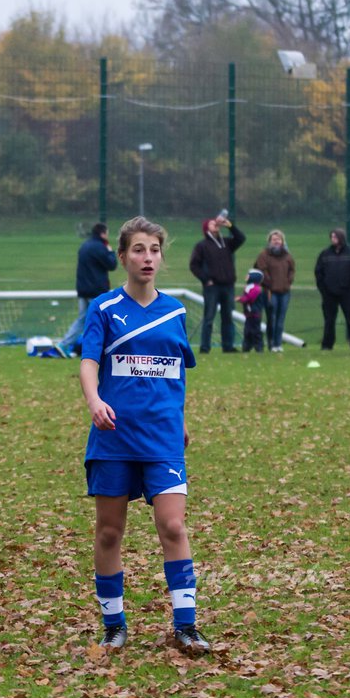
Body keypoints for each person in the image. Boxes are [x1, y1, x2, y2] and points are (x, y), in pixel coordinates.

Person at [79, 216, 209, 655]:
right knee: (110, 532)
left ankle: (186, 626)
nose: (147, 257)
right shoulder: (103, 308)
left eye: (153, 250)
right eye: (138, 249)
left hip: (162, 437)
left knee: (173, 525)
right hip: (114, 437)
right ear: (122, 256)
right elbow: (88, 363)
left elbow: (173, 372)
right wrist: (95, 400)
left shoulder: (175, 310)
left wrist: (181, 418)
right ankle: (113, 624)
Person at [188, 210, 245, 353]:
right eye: (213, 224)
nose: (216, 225)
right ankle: (205, 347)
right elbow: (194, 265)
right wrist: (206, 279)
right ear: (207, 229)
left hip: (228, 286)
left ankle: (228, 346)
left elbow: (241, 238)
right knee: (209, 318)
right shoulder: (202, 246)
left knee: (227, 317)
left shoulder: (226, 243)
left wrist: (229, 225)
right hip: (212, 287)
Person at [58, 223, 118, 353]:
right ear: (103, 233)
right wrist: (110, 251)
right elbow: (112, 265)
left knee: (82, 319)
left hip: (83, 290)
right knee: (102, 319)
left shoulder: (85, 245)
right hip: (96, 291)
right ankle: (105, 347)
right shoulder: (100, 247)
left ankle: (64, 344)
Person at [315, 228, 350, 351]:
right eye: (331, 237)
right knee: (329, 320)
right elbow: (318, 273)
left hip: (347, 293)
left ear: (341, 238)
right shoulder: (325, 254)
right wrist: (324, 290)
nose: (333, 239)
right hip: (329, 294)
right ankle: (327, 345)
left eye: (335, 237)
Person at [253, 229, 294, 352]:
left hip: (285, 291)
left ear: (282, 241)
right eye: (274, 239)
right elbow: (261, 270)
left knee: (281, 319)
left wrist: (288, 281)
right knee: (272, 318)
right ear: (270, 241)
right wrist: (269, 283)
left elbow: (292, 269)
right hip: (270, 291)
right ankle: (271, 343)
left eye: (279, 239)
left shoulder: (287, 255)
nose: (277, 241)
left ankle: (278, 344)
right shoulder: (264, 255)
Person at [236, 268, 265, 353]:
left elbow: (249, 298)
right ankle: (247, 347)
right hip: (249, 314)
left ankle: (258, 348)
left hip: (254, 314)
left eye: (248, 275)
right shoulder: (249, 287)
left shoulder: (255, 288)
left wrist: (240, 299)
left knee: (255, 332)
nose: (246, 276)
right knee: (248, 331)